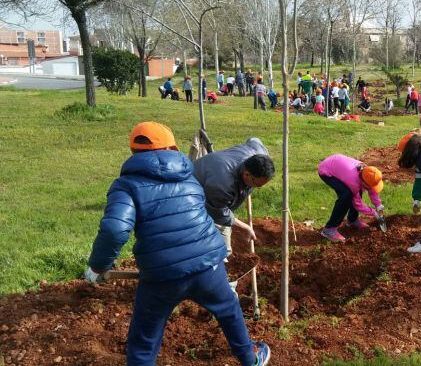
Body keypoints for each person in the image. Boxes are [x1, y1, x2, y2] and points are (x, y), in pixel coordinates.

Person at [83, 122, 271, 366]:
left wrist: (98, 266)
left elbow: (115, 228)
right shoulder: (190, 177)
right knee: (228, 310)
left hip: (163, 275)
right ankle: (250, 357)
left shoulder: (126, 186)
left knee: (144, 339)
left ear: (133, 151)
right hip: (209, 266)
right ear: (172, 147)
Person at [193, 138, 275, 257]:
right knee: (220, 249)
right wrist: (246, 227)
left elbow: (254, 139)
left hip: (213, 181)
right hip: (193, 195)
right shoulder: (223, 184)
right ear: (246, 175)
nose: (259, 188)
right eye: (257, 185)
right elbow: (220, 213)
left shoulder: (258, 152)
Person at [317, 154, 385, 243]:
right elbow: (358, 205)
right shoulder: (353, 182)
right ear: (364, 183)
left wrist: (378, 205)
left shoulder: (368, 172)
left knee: (356, 191)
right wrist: (374, 213)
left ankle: (352, 220)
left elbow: (372, 188)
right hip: (327, 170)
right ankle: (329, 229)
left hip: (339, 165)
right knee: (346, 196)